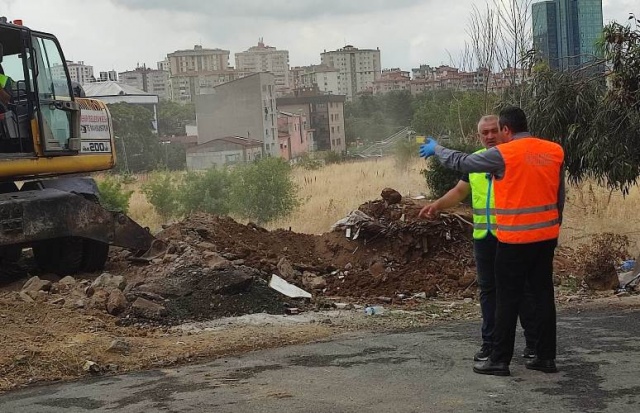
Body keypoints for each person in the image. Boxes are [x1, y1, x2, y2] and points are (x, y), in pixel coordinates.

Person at [419, 106, 564, 377]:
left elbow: (461, 162)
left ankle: (499, 360)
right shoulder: (553, 150)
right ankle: (545, 357)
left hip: (513, 239)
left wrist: (438, 149)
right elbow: (559, 196)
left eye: (497, 130)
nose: (492, 136)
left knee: (507, 299)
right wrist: (555, 226)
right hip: (545, 237)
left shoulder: (504, 154)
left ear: (506, 129)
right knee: (543, 296)